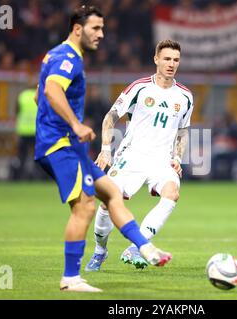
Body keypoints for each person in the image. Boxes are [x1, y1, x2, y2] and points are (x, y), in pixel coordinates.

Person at [34, 5, 171, 293]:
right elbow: (50, 91)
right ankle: (71, 278)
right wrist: (75, 123)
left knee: (110, 192)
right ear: (77, 29)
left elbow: (39, 95)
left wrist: (55, 117)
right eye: (96, 28)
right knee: (84, 207)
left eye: (102, 28)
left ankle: (145, 248)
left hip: (68, 144)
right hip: (60, 145)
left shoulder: (56, 55)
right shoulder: (68, 57)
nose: (101, 34)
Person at [85, 39, 193, 271]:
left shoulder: (185, 97)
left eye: (175, 60)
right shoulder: (140, 87)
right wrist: (105, 150)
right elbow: (110, 117)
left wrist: (177, 157)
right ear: (156, 59)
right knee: (106, 203)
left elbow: (183, 130)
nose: (171, 64)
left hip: (162, 160)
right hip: (132, 156)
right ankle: (99, 251)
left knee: (172, 193)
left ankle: (138, 246)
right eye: (166, 59)